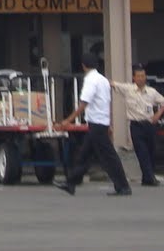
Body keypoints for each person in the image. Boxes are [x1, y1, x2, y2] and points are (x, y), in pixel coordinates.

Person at [55, 53, 132, 196]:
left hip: (96, 124)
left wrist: (68, 120)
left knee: (108, 157)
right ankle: (71, 183)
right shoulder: (103, 80)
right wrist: (109, 122)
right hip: (100, 122)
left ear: (83, 66)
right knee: (84, 155)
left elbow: (84, 103)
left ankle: (123, 186)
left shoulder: (90, 80)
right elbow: (107, 103)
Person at [113, 63, 164, 186]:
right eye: (138, 76)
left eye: (143, 76)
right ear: (134, 78)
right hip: (136, 125)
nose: (141, 78)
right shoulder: (128, 89)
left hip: (149, 125)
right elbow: (113, 84)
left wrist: (157, 115)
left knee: (151, 152)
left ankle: (147, 178)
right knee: (141, 152)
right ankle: (150, 177)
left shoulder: (152, 92)